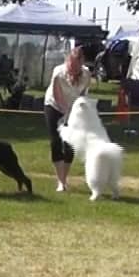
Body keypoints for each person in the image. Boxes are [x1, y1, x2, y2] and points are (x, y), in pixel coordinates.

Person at [44, 46, 92, 192]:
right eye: (70, 65)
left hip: (73, 108)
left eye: (75, 67)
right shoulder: (58, 72)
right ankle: (61, 182)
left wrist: (79, 110)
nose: (72, 69)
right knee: (56, 141)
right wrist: (65, 115)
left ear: (81, 64)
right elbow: (57, 95)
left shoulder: (86, 74)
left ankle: (64, 177)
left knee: (70, 145)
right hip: (54, 106)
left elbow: (83, 93)